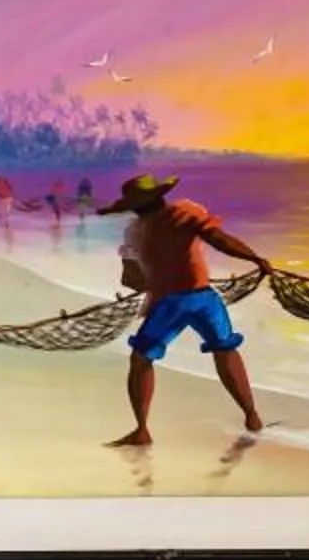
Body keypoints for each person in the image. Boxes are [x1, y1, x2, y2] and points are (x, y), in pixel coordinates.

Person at [99, 173, 273, 446]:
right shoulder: (187, 212)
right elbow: (219, 240)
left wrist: (155, 280)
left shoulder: (135, 231)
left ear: (134, 207)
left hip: (169, 304)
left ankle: (142, 430)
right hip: (205, 298)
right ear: (160, 197)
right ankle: (252, 415)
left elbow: (129, 278)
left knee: (141, 360)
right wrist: (254, 258)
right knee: (225, 350)